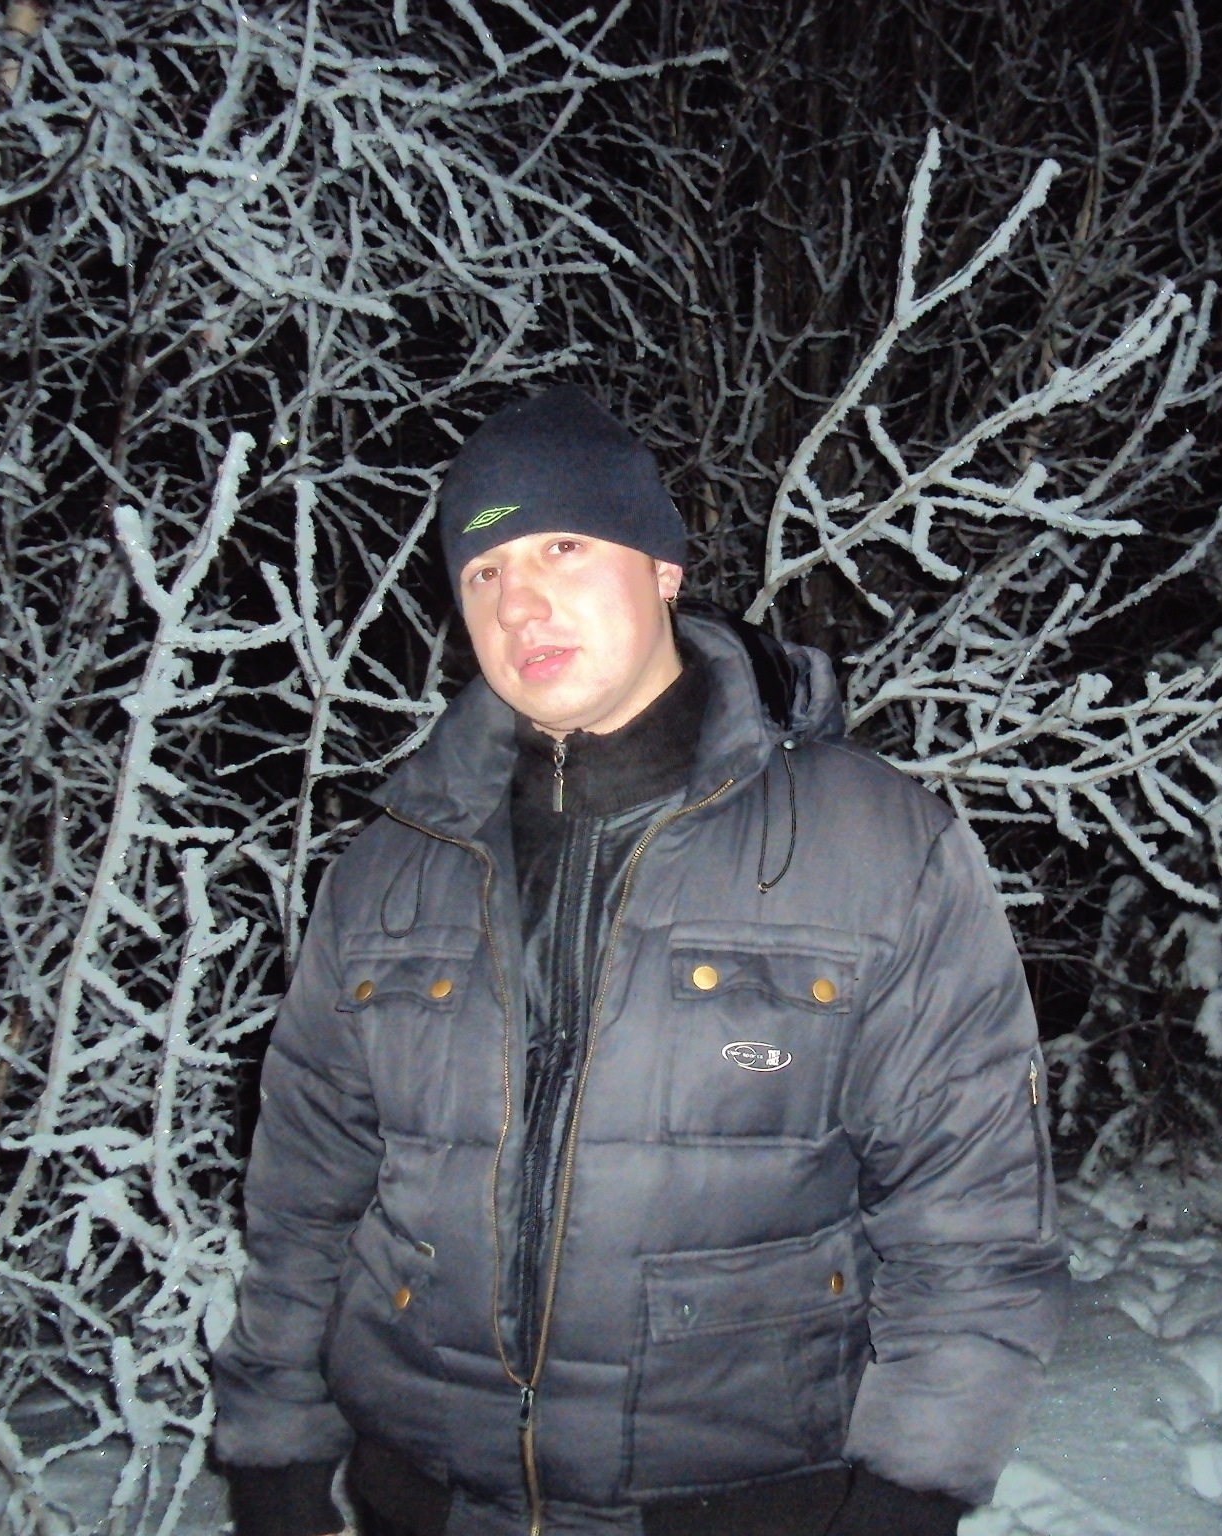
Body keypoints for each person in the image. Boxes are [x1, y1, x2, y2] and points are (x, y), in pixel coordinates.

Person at [213, 386, 1068, 1536]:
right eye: (482, 571)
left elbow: (970, 1225)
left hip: (747, 1505)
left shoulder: (871, 846)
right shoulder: (389, 865)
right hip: (426, 1497)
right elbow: (302, 1205)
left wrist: (908, 1498)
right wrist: (275, 1452)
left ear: (662, 567)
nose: (519, 601)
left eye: (560, 547)